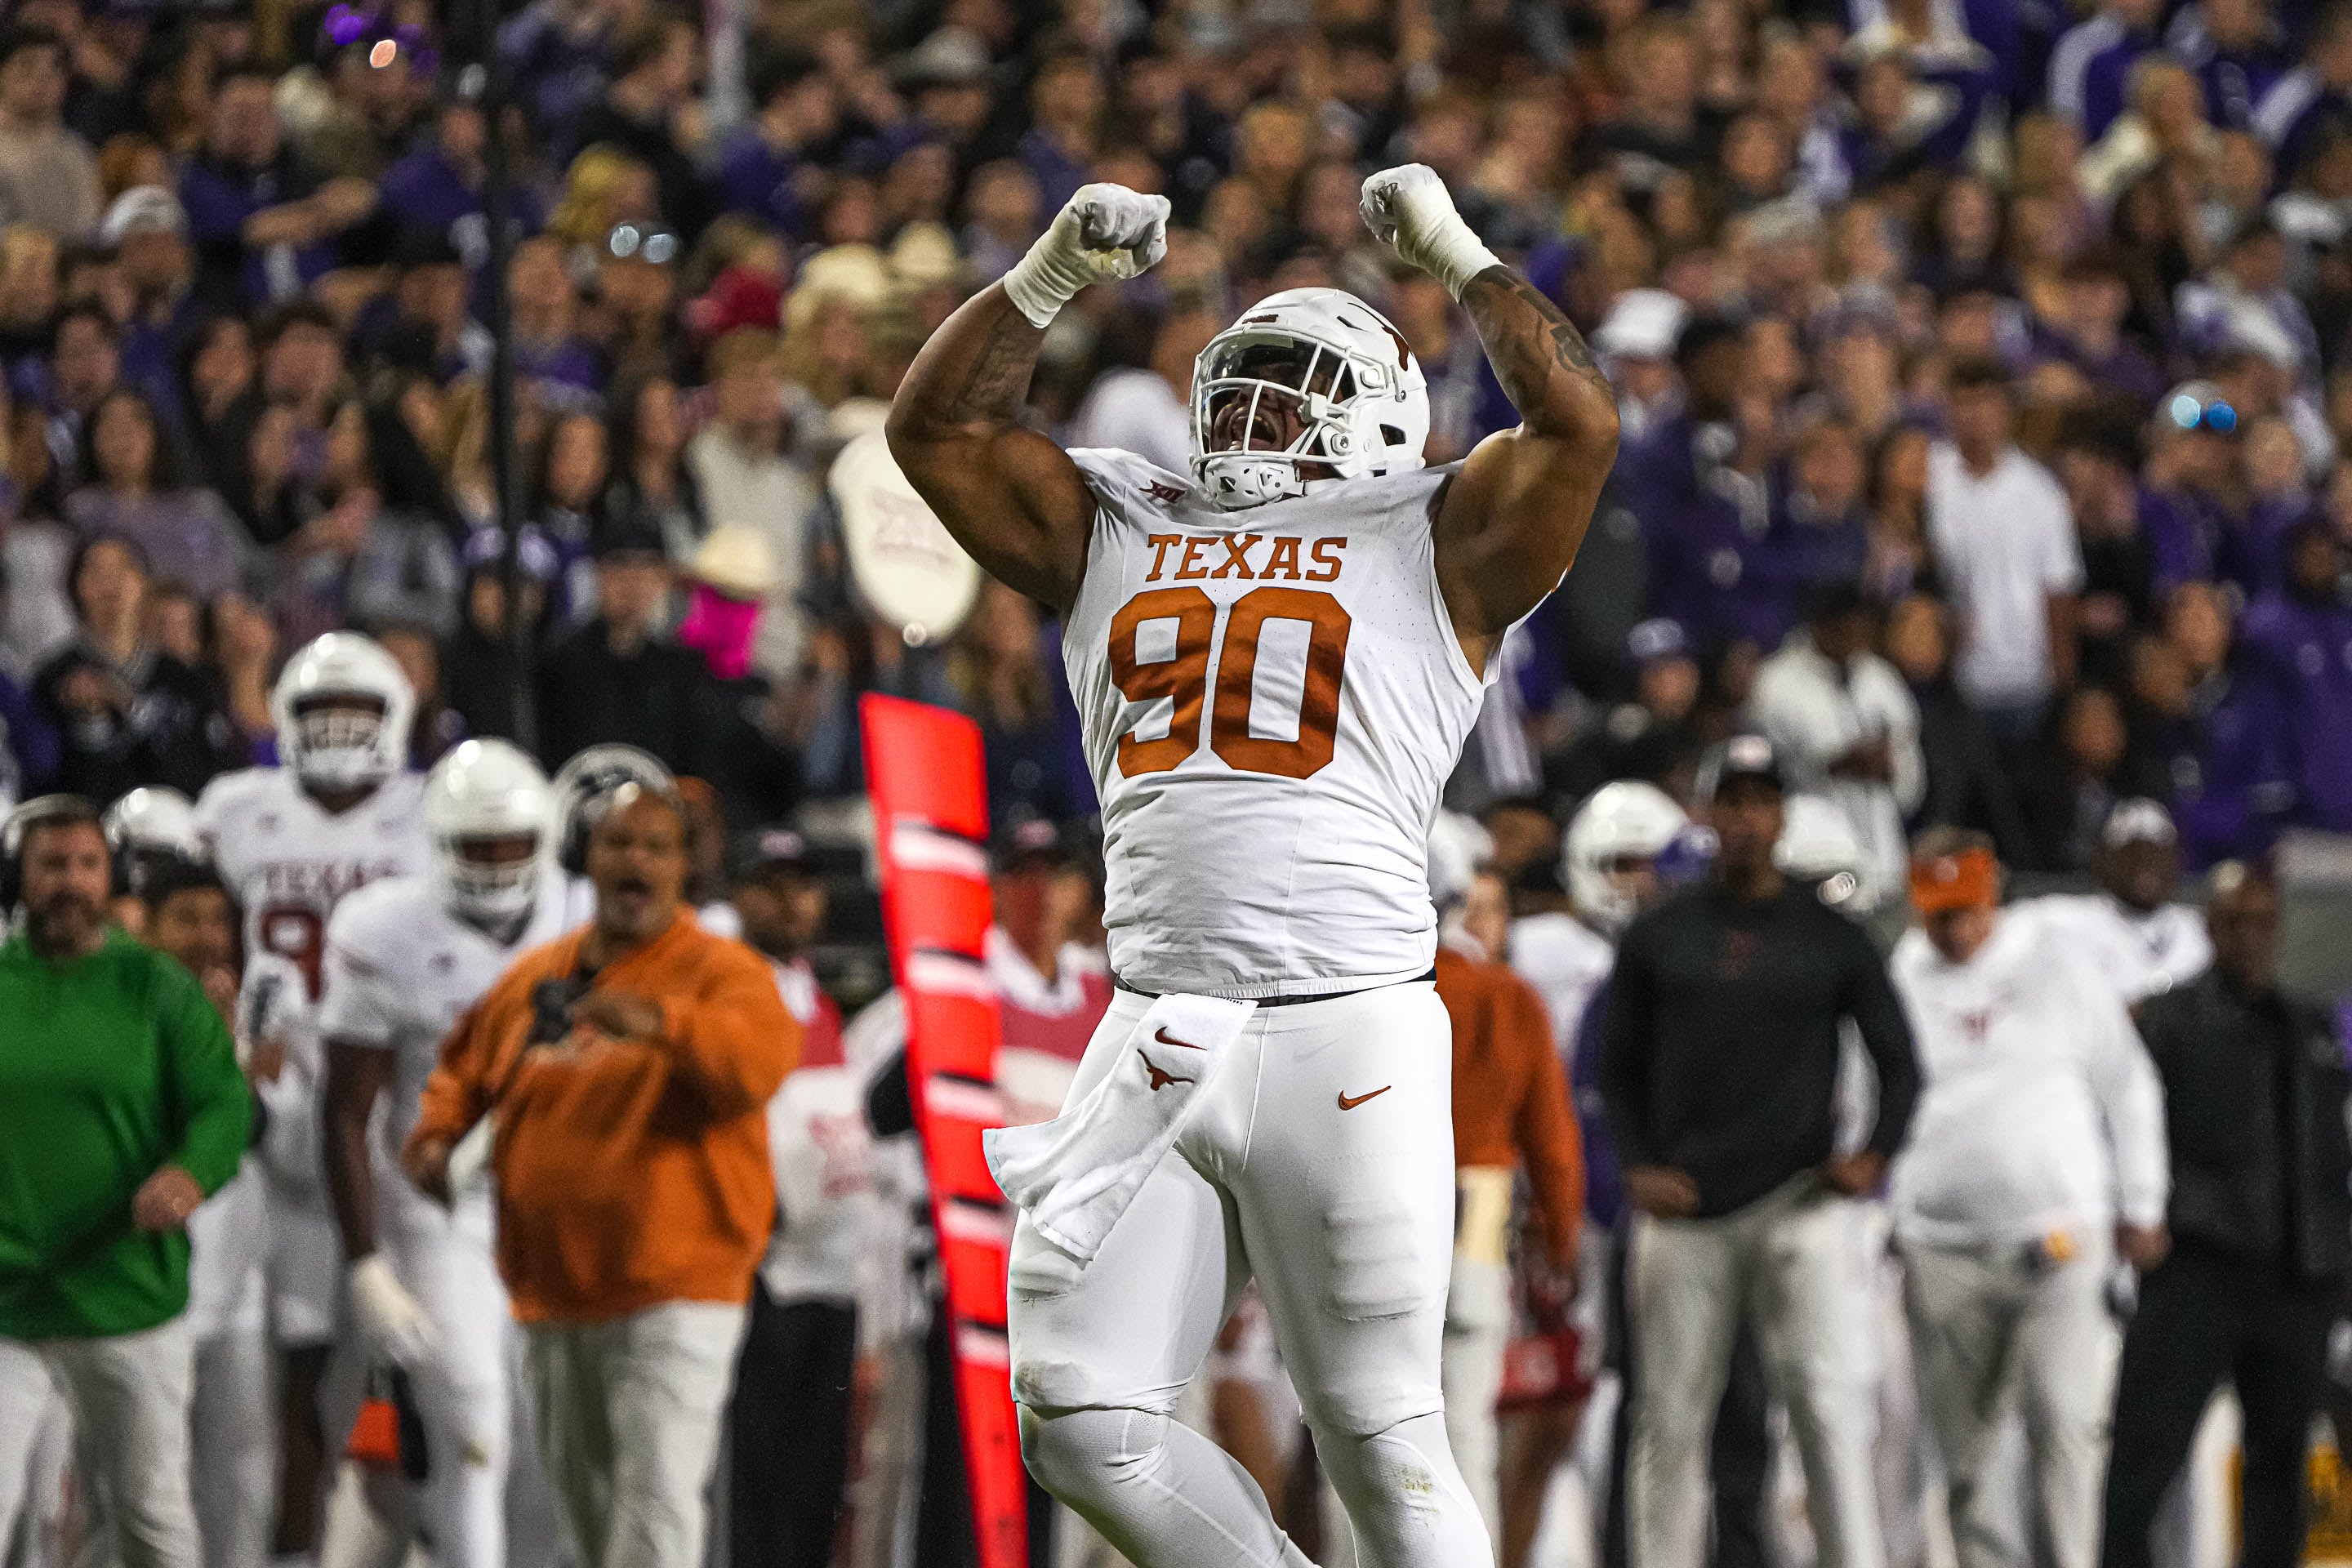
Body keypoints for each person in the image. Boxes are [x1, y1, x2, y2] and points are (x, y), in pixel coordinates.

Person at [887, 164, 1619, 1566]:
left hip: (1346, 1024)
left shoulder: (1439, 531)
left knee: (1380, 1432)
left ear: (1384, 417)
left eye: (1292, 387)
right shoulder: (1121, 513)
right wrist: (1045, 278)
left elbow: (1579, 418)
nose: (1250, 413)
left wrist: (1462, 253)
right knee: (1075, 1413)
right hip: (1155, 1022)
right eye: (1240, 381)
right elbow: (935, 429)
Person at [402, 783, 798, 1568]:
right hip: (552, 1294)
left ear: (684, 867)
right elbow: (459, 1077)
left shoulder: (722, 972)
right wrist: (434, 1141)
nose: (636, 860)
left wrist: (661, 1023)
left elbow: (758, 1066)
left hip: (678, 1295)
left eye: (656, 845)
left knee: (651, 1521)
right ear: (588, 860)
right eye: (620, 843)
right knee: (585, 1529)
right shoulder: (535, 978)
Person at [1597, 734, 1918, 1568]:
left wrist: (1874, 1154)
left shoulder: (1831, 937)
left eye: (1760, 801)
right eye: (1731, 801)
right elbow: (1615, 1066)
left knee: (1828, 1413)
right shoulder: (1660, 934)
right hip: (1687, 1213)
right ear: (1709, 815)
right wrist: (1636, 1164)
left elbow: (1901, 1061)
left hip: (1800, 1205)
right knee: (1669, 1421)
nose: (1745, 818)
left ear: (1781, 816)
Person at [192, 630, 431, 1558]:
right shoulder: (236, 810)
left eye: (357, 713)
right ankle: (289, 1548)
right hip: (276, 1105)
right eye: (320, 712)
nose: (337, 731)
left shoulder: (427, 810)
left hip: (394, 1110)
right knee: (294, 1377)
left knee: (422, 1364)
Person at [315, 740, 573, 1568]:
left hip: (559, 1211)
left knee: (550, 1446)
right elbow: (345, 1110)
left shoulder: (586, 915)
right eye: (478, 846)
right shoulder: (386, 930)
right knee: (471, 1420)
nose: (498, 864)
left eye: (512, 845)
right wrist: (364, 1263)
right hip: (440, 1212)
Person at [1887, 829, 2170, 1568]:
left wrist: (2141, 1201)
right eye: (1939, 913)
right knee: (1969, 1451)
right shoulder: (1903, 973)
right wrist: (1884, 1211)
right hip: (1940, 1242)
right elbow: (1869, 1094)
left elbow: (2127, 1082)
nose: (1953, 930)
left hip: (2059, 1236)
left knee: (2066, 1423)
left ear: (1993, 898)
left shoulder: (2056, 962)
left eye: (1966, 911)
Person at [0, 794, 251, 1568]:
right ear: (19, 876)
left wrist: (189, 1173)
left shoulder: (159, 990)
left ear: (112, 878)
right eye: (51, 866)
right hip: (9, 1302)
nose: (69, 883)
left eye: (85, 864)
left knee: (151, 1518)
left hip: (128, 1298)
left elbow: (221, 1105)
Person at [2100, 862, 2352, 1568]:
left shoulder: (2309, 1025)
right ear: (2209, 929)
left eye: (2262, 923)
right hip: (2195, 1272)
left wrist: (2340, 1257)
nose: (2250, 938)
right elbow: (2124, 1128)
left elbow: (2331, 1153)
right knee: (2142, 1459)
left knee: (2282, 1463)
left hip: (2295, 1278)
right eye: (2234, 923)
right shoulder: (2167, 1021)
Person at [138, 852, 301, 1568]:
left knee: (241, 1485)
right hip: (136, 1292)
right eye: (187, 920)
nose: (207, 937)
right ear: (147, 928)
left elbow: (288, 1146)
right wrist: (218, 1066)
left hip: (235, 1286)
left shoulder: (266, 1001)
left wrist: (245, 1080)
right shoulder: (119, 1004)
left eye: (219, 920)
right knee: (139, 1490)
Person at [719, 826, 876, 1568]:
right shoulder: (726, 985)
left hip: (833, 1276)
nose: (791, 900)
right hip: (765, 1274)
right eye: (771, 884)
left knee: (816, 1490)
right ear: (739, 895)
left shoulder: (814, 993)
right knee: (756, 1491)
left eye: (803, 884)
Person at [1430, 849, 1584, 1541]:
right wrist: (1562, 1236)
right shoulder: (1507, 995)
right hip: (1478, 1216)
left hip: (1374, 1218)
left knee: (1368, 1428)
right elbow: (1551, 1137)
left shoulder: (1374, 985)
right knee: (1467, 1430)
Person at [1925, 359, 2084, 741]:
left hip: (2028, 679)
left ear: (2005, 410)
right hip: (1953, 680)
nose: (1975, 416)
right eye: (1963, 404)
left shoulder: (2041, 491)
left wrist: (2064, 677)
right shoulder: (1932, 478)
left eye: (1985, 403)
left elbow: (2059, 589)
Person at [1747, 580, 1924, 914]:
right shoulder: (1775, 684)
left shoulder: (1881, 679)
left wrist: (1892, 768)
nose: (1852, 629)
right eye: (1842, 620)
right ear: (1819, 623)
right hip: (1813, 862)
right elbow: (1763, 777)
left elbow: (1913, 784)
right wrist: (1830, 766)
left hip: (1887, 861)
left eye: (1858, 620)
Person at [2023, 798, 2212, 1001]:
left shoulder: (2204, 930)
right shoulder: (2059, 919)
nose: (2145, 864)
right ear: (2103, 860)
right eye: (2132, 854)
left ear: (2177, 860)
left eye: (2157, 854)